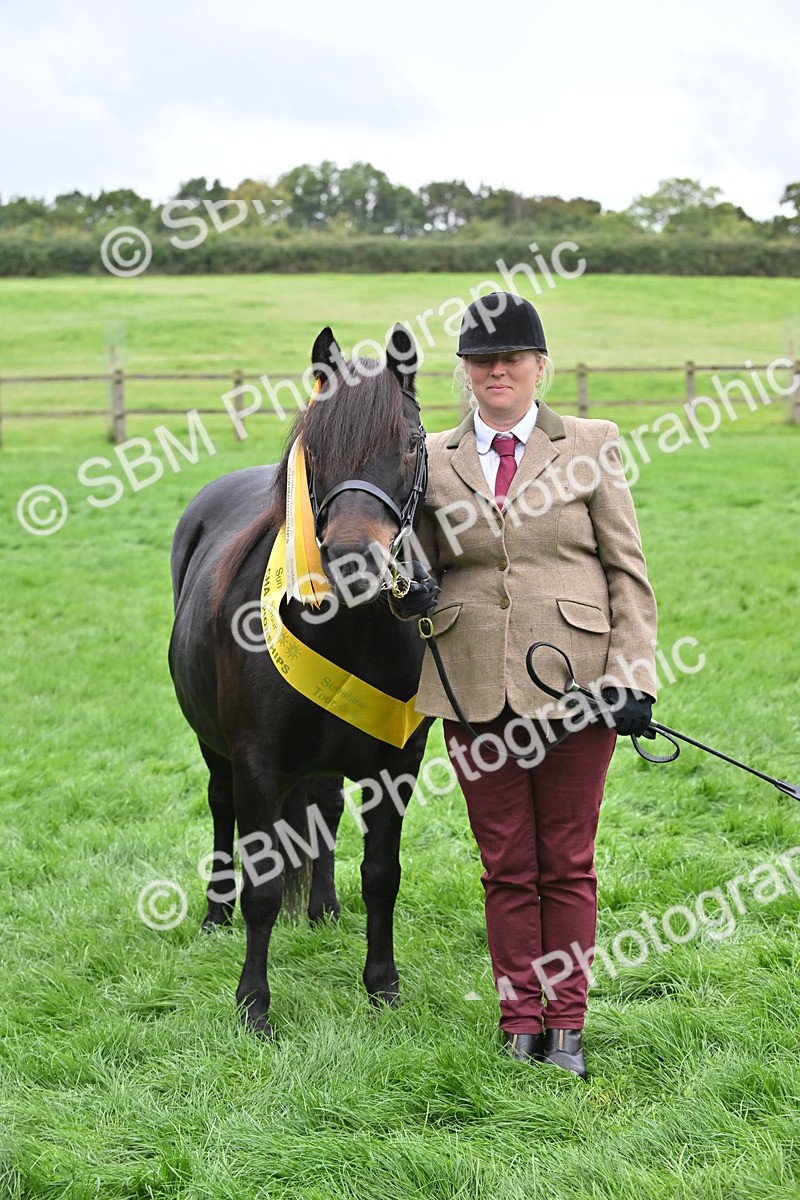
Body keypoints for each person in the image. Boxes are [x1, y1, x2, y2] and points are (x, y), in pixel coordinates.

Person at [392, 291, 658, 1079]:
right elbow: (423, 569)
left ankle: (567, 1026)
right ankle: (519, 1022)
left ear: (540, 367)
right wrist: (403, 588)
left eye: (512, 358)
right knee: (506, 862)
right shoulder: (430, 458)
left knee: (567, 860)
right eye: (481, 360)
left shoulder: (592, 443)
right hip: (472, 685)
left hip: (579, 686)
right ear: (466, 372)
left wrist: (631, 677)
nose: (497, 370)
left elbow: (627, 573)